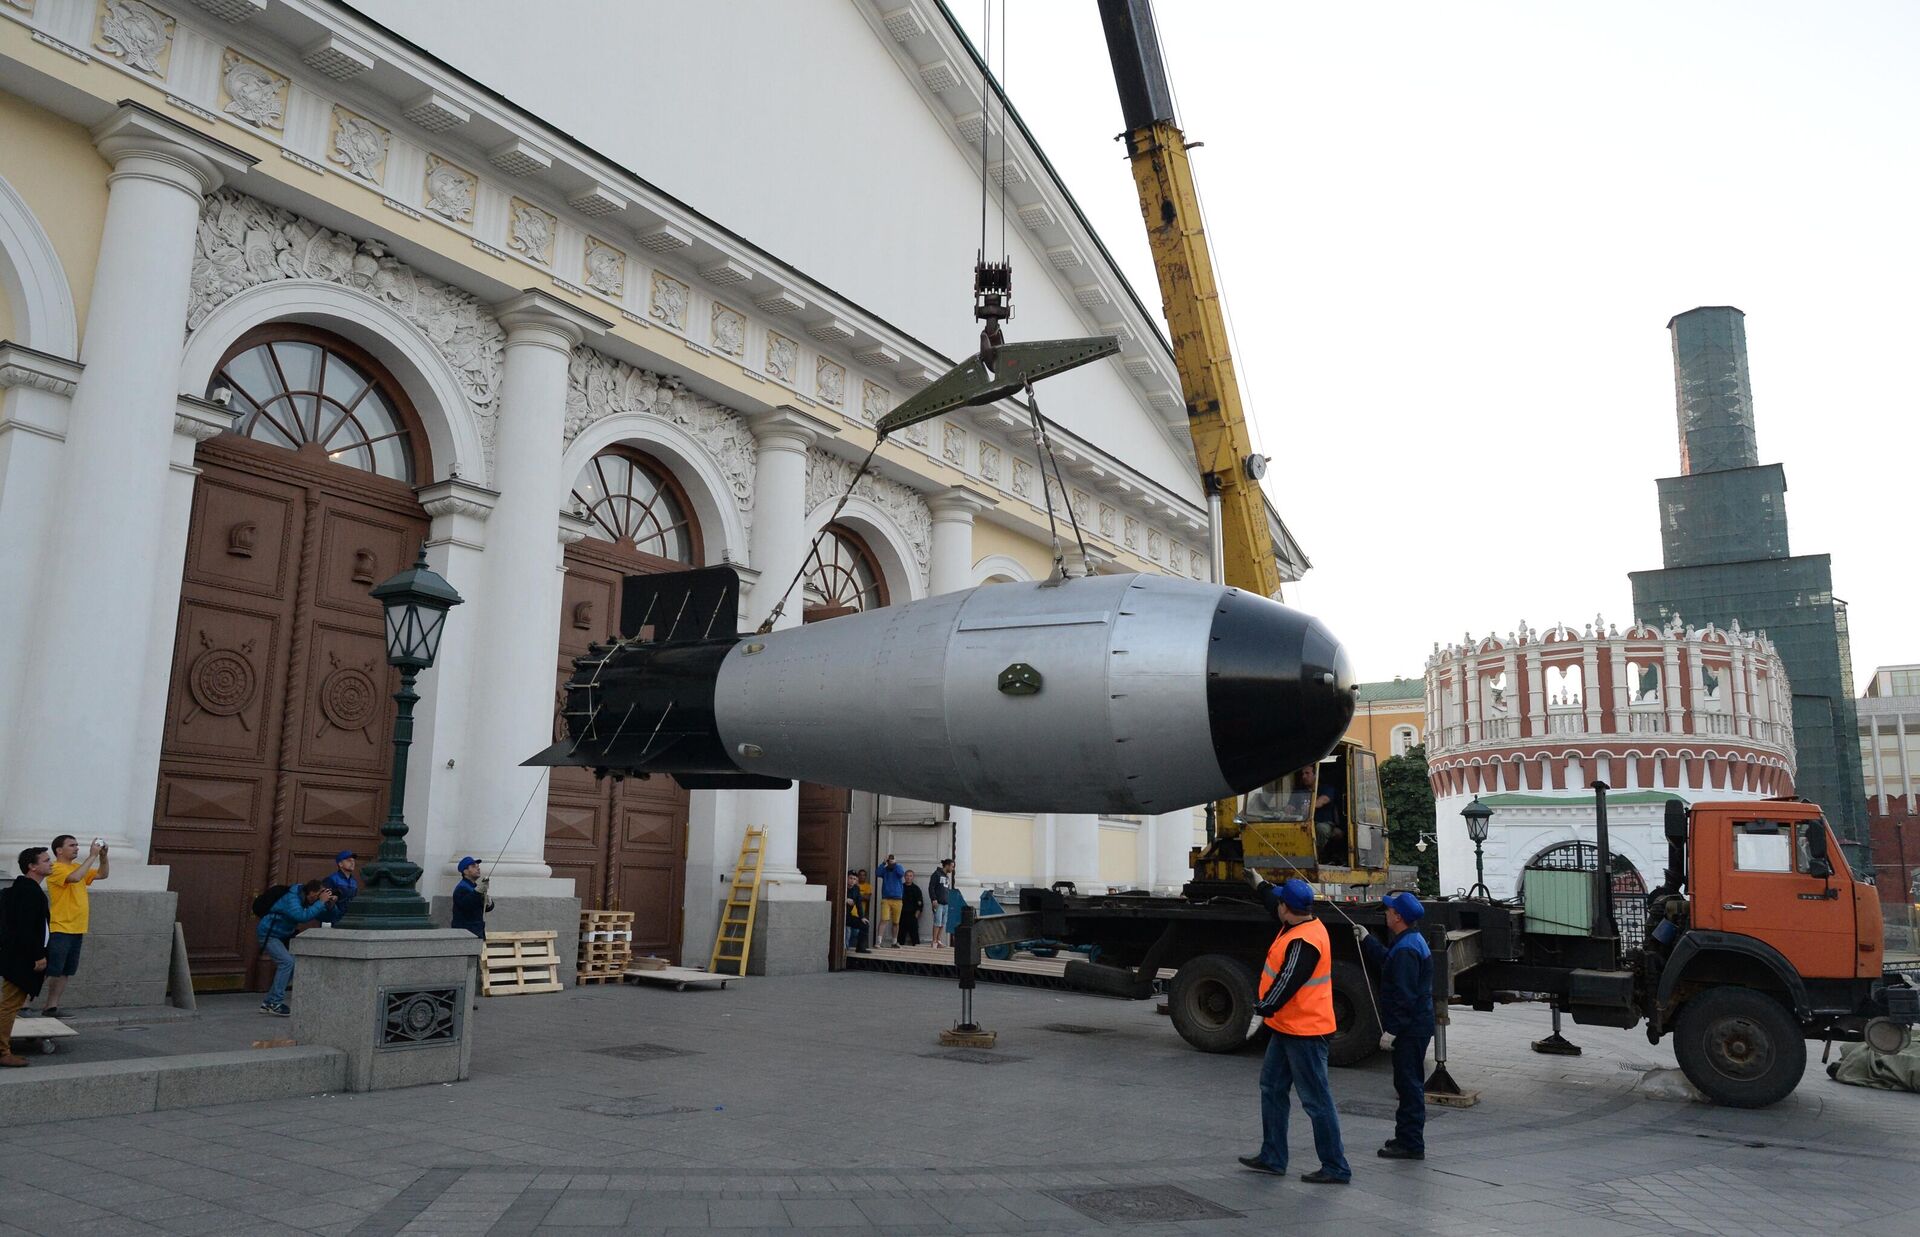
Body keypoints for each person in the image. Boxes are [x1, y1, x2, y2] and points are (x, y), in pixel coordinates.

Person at [1239, 875, 1351, 1184]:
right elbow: (1272, 900)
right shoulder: (1302, 922)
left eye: (1280, 902)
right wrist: (1259, 884)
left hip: (1306, 1032)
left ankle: (1336, 1167)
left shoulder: (1304, 941)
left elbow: (1287, 981)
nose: (1277, 905)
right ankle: (1273, 1156)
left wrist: (1263, 1009)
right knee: (1272, 1088)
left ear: (1287, 908)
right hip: (1288, 1027)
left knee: (1316, 1100)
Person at [1358, 891, 1434, 1160]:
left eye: (1389, 910)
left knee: (1409, 1083)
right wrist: (1368, 940)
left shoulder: (1405, 950)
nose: (1386, 913)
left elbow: (1404, 996)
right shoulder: (1410, 941)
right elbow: (1388, 961)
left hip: (1411, 1028)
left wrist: (1393, 1030)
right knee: (1406, 1082)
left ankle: (1412, 1144)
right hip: (1417, 1025)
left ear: (1398, 917)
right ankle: (1406, 1135)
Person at [39, 835, 107, 1019]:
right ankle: (22, 1005)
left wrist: (103, 856)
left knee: (65, 971)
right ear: (59, 850)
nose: (77, 848)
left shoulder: (78, 867)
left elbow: (102, 874)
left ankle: (51, 1007)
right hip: (60, 927)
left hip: (77, 928)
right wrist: (92, 856)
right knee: (48, 968)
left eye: (77, 845)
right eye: (72, 845)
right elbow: (75, 878)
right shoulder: (55, 868)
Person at [1, 847, 54, 1067]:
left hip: (18, 957)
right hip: (22, 959)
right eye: (46, 860)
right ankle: (2, 1052)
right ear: (32, 866)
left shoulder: (25, 889)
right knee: (9, 1005)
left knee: (9, 1003)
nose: (51, 863)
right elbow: (25, 929)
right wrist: (38, 955)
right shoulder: (29, 892)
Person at [256, 879, 335, 1016]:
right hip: (269, 933)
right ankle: (275, 1002)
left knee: (293, 963)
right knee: (287, 962)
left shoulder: (306, 898)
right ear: (310, 892)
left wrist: (329, 904)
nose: (316, 899)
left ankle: (268, 1002)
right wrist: (321, 902)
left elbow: (320, 914)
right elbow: (302, 916)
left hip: (282, 935)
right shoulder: (291, 898)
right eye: (316, 896)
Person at [451, 858, 493, 938]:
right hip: (465, 933)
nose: (478, 868)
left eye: (478, 866)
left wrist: (489, 903)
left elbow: (483, 908)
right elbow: (467, 905)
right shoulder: (461, 887)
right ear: (465, 871)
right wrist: (477, 893)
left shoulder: (474, 887)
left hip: (476, 931)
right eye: (473, 866)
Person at [874, 853, 906, 947]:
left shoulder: (898, 868)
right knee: (884, 919)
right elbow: (877, 873)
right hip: (886, 899)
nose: (890, 861)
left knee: (896, 922)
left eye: (892, 859)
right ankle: (878, 942)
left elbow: (901, 874)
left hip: (898, 899)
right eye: (889, 860)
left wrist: (895, 863)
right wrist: (883, 863)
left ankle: (894, 942)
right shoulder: (884, 870)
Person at [323, 850, 358, 925]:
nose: (352, 863)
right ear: (340, 864)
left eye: (353, 861)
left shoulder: (354, 882)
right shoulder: (332, 879)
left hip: (349, 919)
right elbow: (324, 901)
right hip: (333, 919)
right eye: (349, 860)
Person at [844, 869, 871, 954]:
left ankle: (860, 948)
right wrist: (844, 900)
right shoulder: (842, 886)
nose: (852, 881)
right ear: (847, 878)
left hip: (848, 916)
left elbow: (859, 904)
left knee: (864, 924)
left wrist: (862, 917)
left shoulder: (856, 889)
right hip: (838, 915)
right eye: (850, 878)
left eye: (854, 879)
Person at [927, 859, 952, 949]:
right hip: (938, 903)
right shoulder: (936, 874)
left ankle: (938, 940)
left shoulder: (947, 877)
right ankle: (934, 941)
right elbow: (931, 887)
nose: (952, 869)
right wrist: (934, 899)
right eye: (952, 866)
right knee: (937, 922)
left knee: (942, 923)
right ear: (947, 865)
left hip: (946, 903)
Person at [899, 869, 924, 947]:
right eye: (907, 875)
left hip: (912, 915)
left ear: (913, 877)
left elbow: (920, 904)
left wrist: (916, 916)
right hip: (901, 915)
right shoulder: (900, 887)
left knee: (915, 938)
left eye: (910, 876)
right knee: (900, 937)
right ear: (904, 877)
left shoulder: (916, 889)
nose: (908, 877)